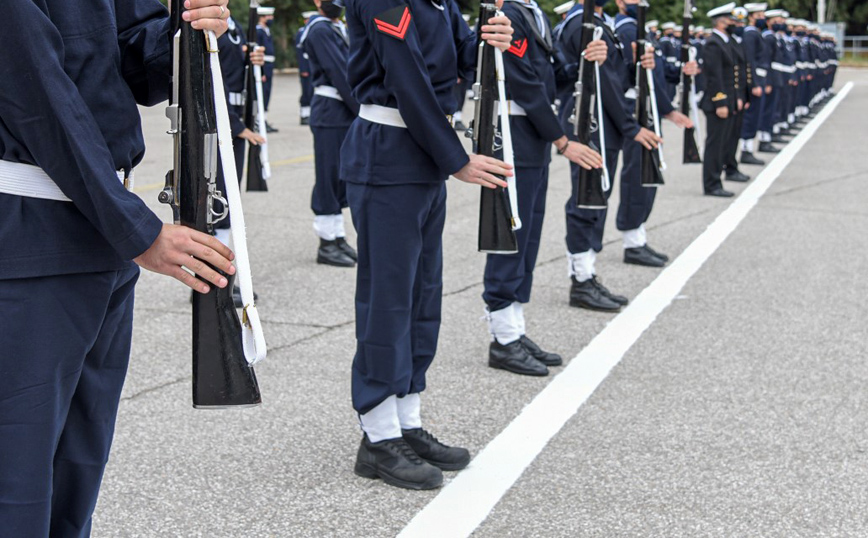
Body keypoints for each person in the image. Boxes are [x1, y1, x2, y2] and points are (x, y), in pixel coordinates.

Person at [0, 1, 234, 536]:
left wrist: (189, 27)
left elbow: (125, 57)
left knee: (77, 467)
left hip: (98, 230)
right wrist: (136, 230)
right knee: (16, 476)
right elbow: (35, 93)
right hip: (30, 240)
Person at [342, 0, 515, 490]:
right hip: (389, 152)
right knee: (388, 300)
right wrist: (455, 157)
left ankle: (406, 421)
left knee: (421, 298)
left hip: (420, 158)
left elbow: (463, 55)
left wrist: (493, 37)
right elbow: (406, 75)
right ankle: (377, 437)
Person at [482, 0, 606, 377]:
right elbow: (523, 82)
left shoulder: (535, 11)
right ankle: (502, 339)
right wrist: (562, 140)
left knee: (528, 233)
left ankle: (515, 330)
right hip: (516, 129)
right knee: (512, 231)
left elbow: (548, 75)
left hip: (533, 133)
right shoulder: (513, 13)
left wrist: (585, 60)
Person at [555, 0, 662, 314]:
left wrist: (638, 65)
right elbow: (600, 85)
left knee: (596, 201)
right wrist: (631, 127)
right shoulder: (581, 23)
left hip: (605, 125)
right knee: (586, 202)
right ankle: (581, 278)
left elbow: (615, 78)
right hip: (591, 124)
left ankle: (588, 274)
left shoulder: (601, 24)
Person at [613, 0, 696, 269]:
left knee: (648, 173)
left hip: (649, 108)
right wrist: (669, 111)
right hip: (636, 109)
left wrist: (681, 71)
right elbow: (624, 76)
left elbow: (656, 74)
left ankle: (638, 235)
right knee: (638, 175)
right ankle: (631, 240)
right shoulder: (625, 30)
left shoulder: (641, 29)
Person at [300, 0, 359, 267]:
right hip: (332, 112)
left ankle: (337, 236)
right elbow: (340, 72)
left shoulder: (338, 27)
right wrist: (362, 108)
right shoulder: (320, 30)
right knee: (328, 176)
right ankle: (326, 243)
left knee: (339, 177)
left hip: (342, 111)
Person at [214, 16, 266, 306]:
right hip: (220, 123)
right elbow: (209, 82)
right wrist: (238, 126)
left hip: (233, 119)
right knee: (218, 199)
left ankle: (220, 269)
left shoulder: (231, 26)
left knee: (228, 201)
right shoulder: (208, 23)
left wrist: (251, 59)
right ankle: (214, 274)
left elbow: (233, 70)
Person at [699, 2, 737, 198]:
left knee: (722, 143)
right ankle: (711, 184)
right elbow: (714, 77)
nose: (733, 23)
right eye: (730, 20)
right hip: (717, 103)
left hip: (726, 102)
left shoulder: (724, 41)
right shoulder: (714, 43)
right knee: (715, 145)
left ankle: (716, 180)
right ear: (720, 22)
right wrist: (721, 102)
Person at [721, 6, 751, 184]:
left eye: (740, 22)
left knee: (733, 136)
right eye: (735, 21)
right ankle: (728, 168)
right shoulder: (727, 42)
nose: (737, 25)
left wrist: (743, 95)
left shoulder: (737, 41)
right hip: (731, 97)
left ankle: (731, 166)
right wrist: (738, 95)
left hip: (738, 96)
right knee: (727, 137)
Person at [738, 2, 769, 164]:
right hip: (754, 82)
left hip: (760, 80)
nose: (763, 19)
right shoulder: (750, 34)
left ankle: (748, 148)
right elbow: (749, 61)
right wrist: (755, 84)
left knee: (755, 115)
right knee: (750, 117)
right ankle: (746, 149)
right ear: (751, 18)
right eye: (759, 16)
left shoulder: (756, 33)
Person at [256, 6, 279, 132]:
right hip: (263, 65)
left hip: (269, 65)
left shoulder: (266, 30)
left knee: (267, 94)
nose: (271, 18)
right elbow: (258, 52)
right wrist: (261, 71)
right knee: (263, 94)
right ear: (262, 17)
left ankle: (263, 120)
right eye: (269, 16)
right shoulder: (258, 31)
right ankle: (259, 121)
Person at [295, 11, 319, 125]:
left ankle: (309, 113)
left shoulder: (313, 30)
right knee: (306, 91)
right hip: (306, 65)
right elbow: (300, 52)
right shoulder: (302, 32)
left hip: (312, 65)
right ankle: (304, 114)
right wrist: (303, 69)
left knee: (312, 90)